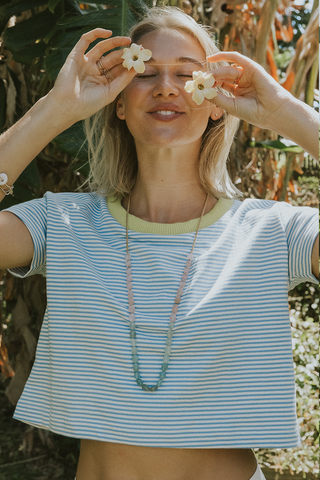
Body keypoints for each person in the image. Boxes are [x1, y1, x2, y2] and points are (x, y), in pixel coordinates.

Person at [0, 7, 318, 480]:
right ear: (118, 103)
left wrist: (284, 113)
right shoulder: (62, 222)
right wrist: (56, 108)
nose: (166, 87)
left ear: (217, 102)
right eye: (145, 73)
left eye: (188, 75)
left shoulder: (273, 230)